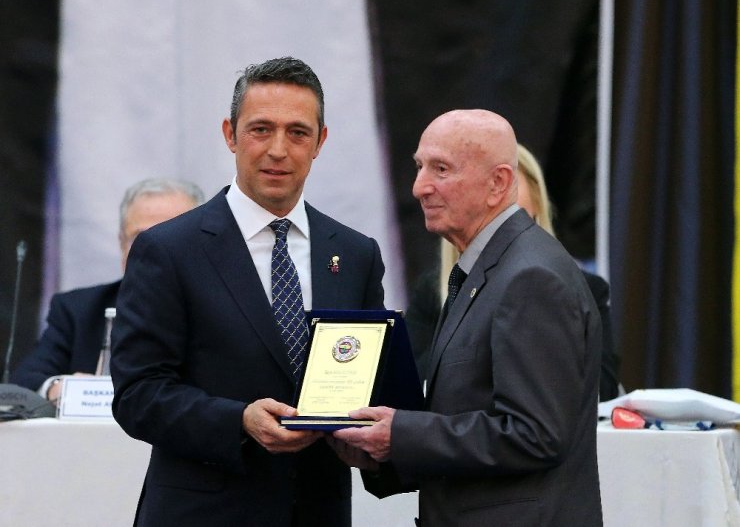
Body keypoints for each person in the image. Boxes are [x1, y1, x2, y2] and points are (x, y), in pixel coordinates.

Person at [110, 57, 385, 527]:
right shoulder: (169, 249)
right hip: (203, 514)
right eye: (261, 129)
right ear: (230, 134)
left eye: (297, 133)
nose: (278, 149)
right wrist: (238, 420)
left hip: (317, 511)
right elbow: (138, 393)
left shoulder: (356, 254)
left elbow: (369, 379)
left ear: (320, 142)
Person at [332, 109, 603, 526]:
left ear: (498, 184)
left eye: (441, 169)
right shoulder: (485, 270)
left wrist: (401, 434)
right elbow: (468, 416)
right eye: (419, 167)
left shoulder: (530, 277)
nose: (419, 187)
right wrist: (382, 452)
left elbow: (535, 435)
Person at [406, 143, 621, 400]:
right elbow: (410, 386)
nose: (502, 234)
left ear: (538, 210)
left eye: (512, 218)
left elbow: (601, 389)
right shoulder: (433, 293)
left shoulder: (582, 289)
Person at [10, 178, 204, 402]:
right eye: (140, 238)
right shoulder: (78, 310)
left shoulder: (226, 307)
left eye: (171, 236)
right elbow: (24, 381)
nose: (156, 251)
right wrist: (60, 389)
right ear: (121, 243)